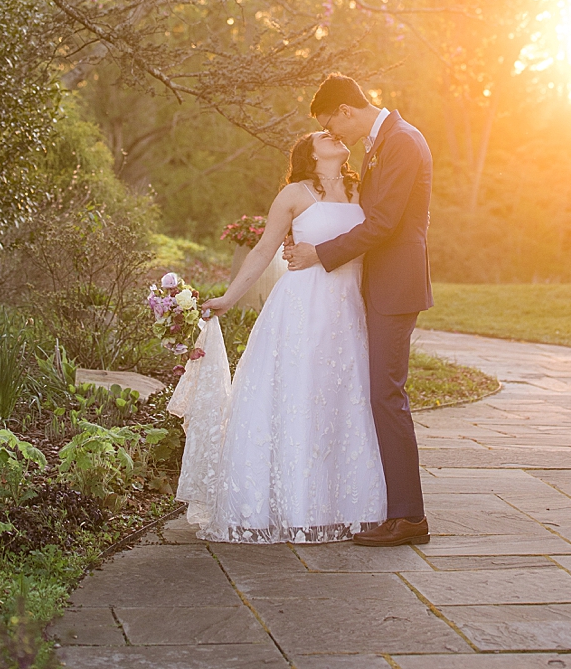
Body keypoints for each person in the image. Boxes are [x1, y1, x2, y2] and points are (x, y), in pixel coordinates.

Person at [172, 130, 386, 543]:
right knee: (299, 398)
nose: (335, 136)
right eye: (325, 134)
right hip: (302, 308)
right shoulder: (293, 194)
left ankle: (346, 506)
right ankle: (291, 504)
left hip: (348, 309)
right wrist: (230, 298)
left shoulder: (362, 188)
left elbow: (375, 236)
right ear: (309, 153)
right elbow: (264, 249)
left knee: (345, 399)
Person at [283, 72, 434, 548]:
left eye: (334, 126)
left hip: (396, 286)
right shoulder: (382, 142)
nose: (336, 137)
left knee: (387, 395)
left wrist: (320, 254)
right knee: (380, 394)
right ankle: (394, 509)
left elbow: (385, 222)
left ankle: (409, 517)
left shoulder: (402, 142)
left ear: (346, 111)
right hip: (380, 284)